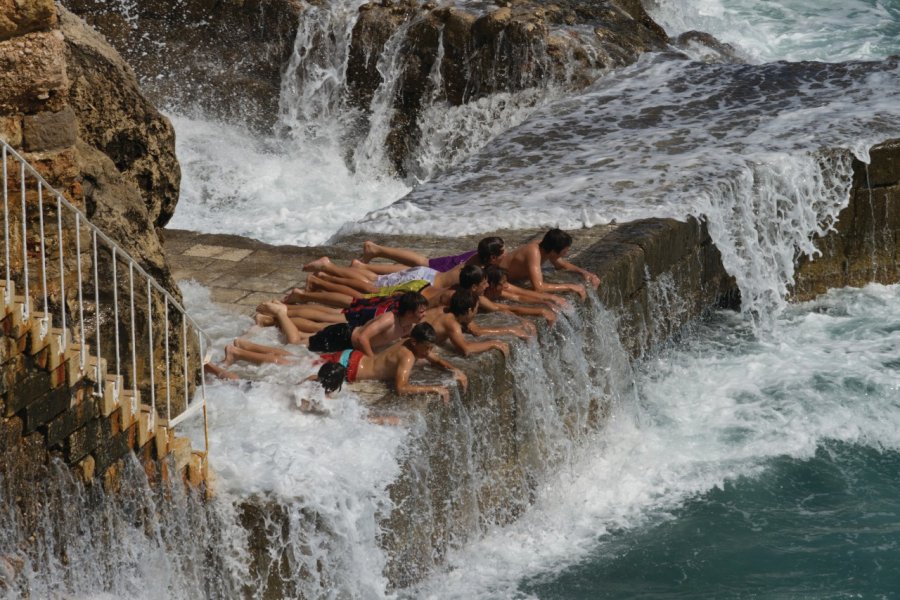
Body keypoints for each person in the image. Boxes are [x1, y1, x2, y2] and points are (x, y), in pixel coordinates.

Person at [318, 322, 467, 404]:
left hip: (352, 357)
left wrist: (456, 371)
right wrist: (434, 389)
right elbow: (401, 389)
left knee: (303, 364)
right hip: (350, 369)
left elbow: (437, 360)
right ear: (415, 342)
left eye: (431, 348)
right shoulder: (407, 357)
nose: (429, 352)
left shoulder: (410, 343)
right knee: (312, 381)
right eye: (427, 348)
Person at [424, 289, 531, 357]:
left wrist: (510, 329)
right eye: (476, 309)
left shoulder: (448, 311)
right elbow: (466, 350)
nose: (476, 313)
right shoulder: (451, 323)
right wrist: (492, 343)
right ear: (469, 310)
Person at [499, 228, 600, 299]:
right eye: (564, 251)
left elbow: (561, 265)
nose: (566, 253)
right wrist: (570, 286)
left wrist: (585, 273)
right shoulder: (534, 252)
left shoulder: (545, 246)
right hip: (498, 280)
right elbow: (539, 288)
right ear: (553, 251)